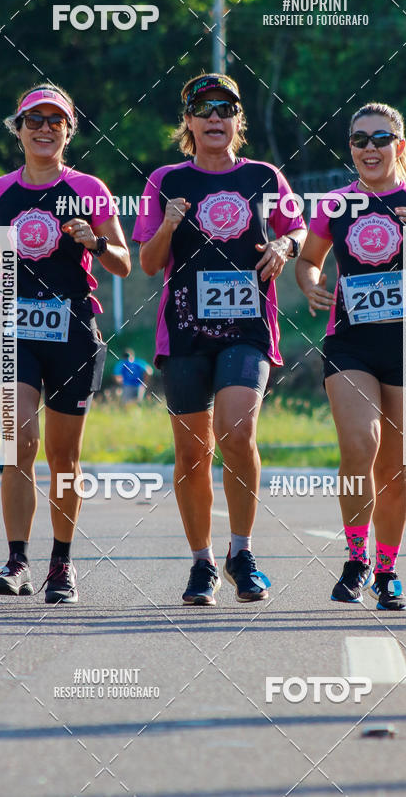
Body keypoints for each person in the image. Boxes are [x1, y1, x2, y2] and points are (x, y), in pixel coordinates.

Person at [134, 72, 306, 606]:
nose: (214, 117)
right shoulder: (166, 180)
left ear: (237, 121)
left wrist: (285, 246)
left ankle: (243, 551)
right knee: (191, 452)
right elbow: (148, 262)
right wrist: (168, 224)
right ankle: (202, 563)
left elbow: (297, 228)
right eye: (202, 109)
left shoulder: (263, 175)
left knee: (237, 431)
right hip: (184, 331)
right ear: (187, 121)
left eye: (225, 108)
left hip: (248, 329)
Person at [296, 102, 406, 610]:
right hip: (350, 343)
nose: (369, 148)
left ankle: (387, 569)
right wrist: (309, 284)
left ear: (399, 144)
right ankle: (355, 558)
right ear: (350, 147)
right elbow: (309, 259)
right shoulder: (336, 204)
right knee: (359, 444)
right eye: (359, 139)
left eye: (380, 138)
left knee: (398, 470)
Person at [0, 83, 130, 603]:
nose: (43, 128)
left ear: (68, 131)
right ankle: (17, 562)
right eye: (33, 120)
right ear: (18, 131)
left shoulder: (89, 188)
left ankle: (61, 563)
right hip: (11, 330)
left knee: (64, 457)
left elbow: (124, 261)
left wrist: (94, 241)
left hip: (73, 333)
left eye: (54, 121)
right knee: (14, 442)